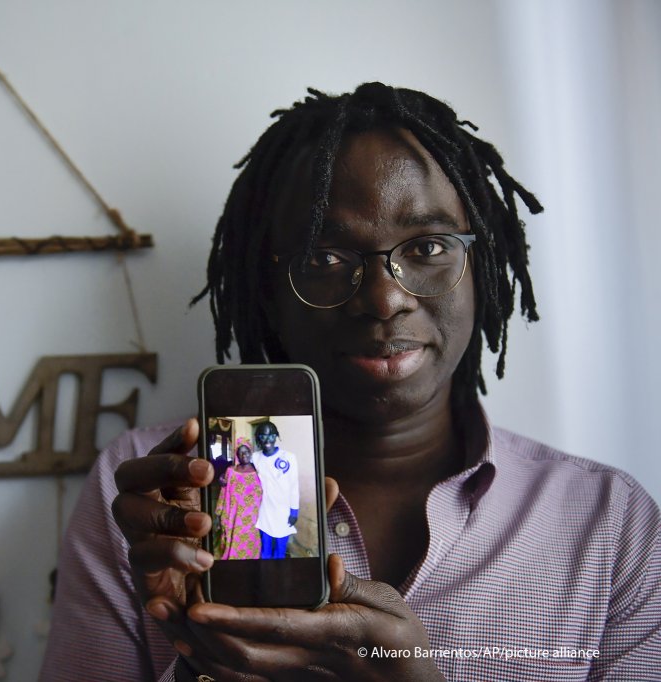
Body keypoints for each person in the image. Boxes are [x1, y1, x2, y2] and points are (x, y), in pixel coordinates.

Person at [40, 83, 661, 681]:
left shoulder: (609, 524)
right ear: (268, 288)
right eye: (325, 258)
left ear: (482, 264)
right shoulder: (156, 493)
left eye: (428, 246)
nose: (386, 299)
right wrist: (204, 661)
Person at [249, 422, 299, 559]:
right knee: (265, 549)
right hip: (264, 511)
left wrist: (294, 511)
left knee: (280, 550)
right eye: (263, 436)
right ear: (258, 437)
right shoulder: (255, 457)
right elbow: (243, 474)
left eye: (271, 436)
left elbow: (294, 486)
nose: (268, 440)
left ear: (276, 436)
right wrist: (225, 478)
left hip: (283, 511)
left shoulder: (288, 457)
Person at [211, 437, 262, 560]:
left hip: (252, 521)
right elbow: (223, 494)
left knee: (250, 550)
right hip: (232, 517)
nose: (244, 455)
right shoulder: (230, 472)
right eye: (241, 452)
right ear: (237, 454)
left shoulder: (259, 472)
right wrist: (218, 515)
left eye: (247, 451)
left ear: (251, 452)